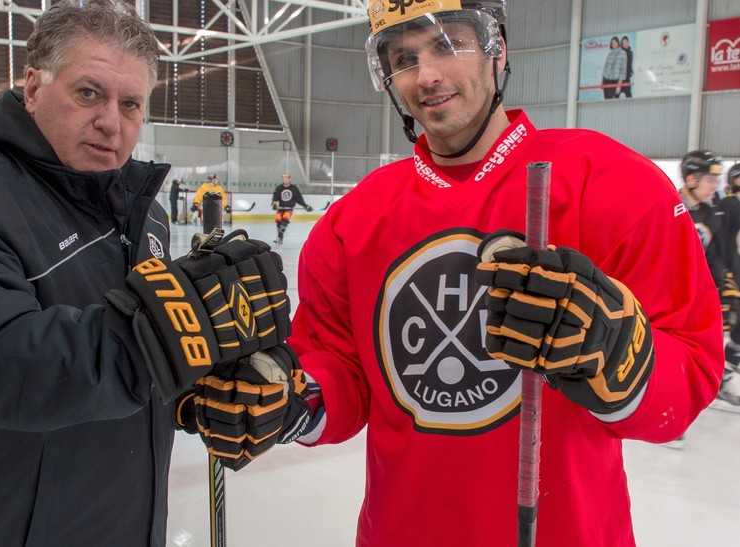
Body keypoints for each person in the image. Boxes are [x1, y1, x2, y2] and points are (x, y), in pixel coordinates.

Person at [192, 1, 723, 545]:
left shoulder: (612, 183)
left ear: (498, 51)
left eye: (448, 44)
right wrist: (293, 401)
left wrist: (617, 351)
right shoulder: (352, 221)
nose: (426, 75)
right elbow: (341, 369)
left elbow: (692, 373)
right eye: (404, 57)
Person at [0, 1, 299, 545]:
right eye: (89, 93)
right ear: (34, 88)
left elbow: (130, 359)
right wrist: (169, 338)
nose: (111, 120)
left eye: (130, 103)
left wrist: (198, 387)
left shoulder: (142, 213)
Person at [714, 160, 740, 413]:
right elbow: (723, 245)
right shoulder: (728, 205)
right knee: (718, 332)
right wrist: (727, 276)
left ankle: (725, 376)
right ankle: (717, 380)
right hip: (729, 278)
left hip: (734, 276)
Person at [271, 172, 312, 245]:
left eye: (287, 179)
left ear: (289, 179)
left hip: (289, 209)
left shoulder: (293, 188)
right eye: (284, 179)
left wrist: (305, 205)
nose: (285, 180)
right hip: (281, 208)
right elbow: (275, 197)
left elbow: (299, 198)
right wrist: (274, 204)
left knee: (284, 222)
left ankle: (279, 237)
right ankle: (280, 237)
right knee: (278, 222)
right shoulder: (279, 188)